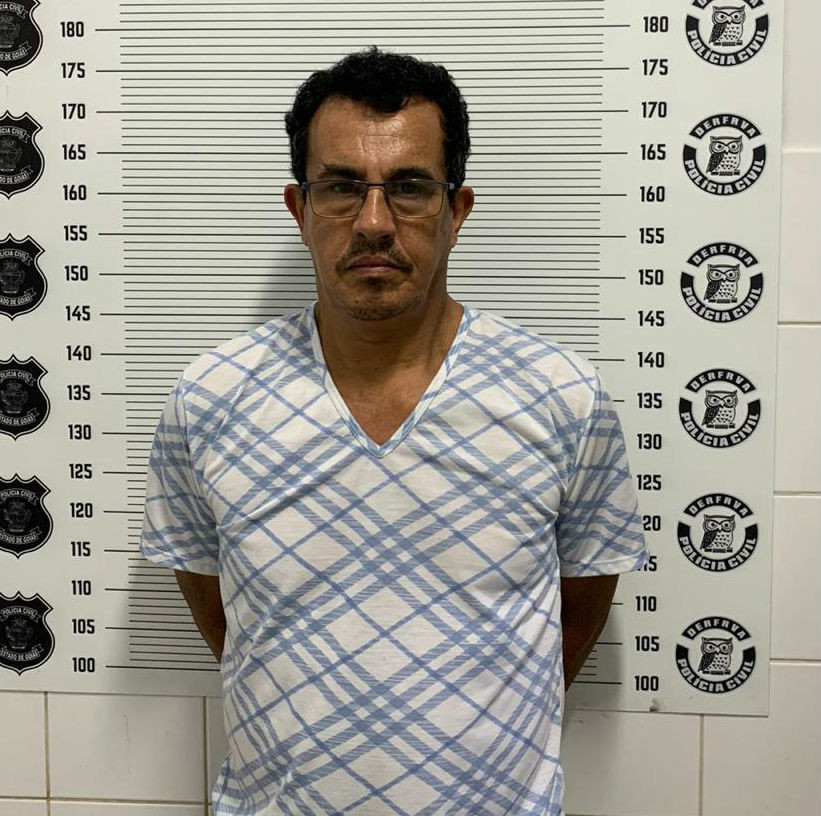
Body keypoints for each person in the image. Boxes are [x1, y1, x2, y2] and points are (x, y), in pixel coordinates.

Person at [140, 45, 648, 816]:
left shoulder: (563, 398)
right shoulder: (209, 399)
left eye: (408, 188)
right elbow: (228, 619)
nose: (373, 222)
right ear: (299, 208)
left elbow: (575, 615)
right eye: (341, 187)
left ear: (456, 210)